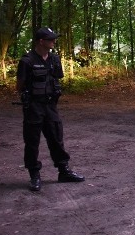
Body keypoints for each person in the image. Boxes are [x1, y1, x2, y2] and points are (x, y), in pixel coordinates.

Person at [16, 27, 85, 192]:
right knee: (32, 142)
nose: (54, 41)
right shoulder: (27, 61)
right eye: (51, 39)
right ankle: (34, 175)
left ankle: (64, 171)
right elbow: (19, 86)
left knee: (56, 137)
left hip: (51, 106)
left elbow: (56, 80)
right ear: (41, 41)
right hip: (34, 106)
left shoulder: (54, 59)